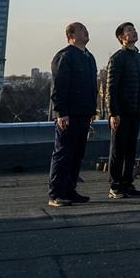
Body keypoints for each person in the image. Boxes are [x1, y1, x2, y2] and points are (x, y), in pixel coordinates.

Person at [48, 22, 97, 207]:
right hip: (68, 115)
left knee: (77, 154)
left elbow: (92, 87)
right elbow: (59, 87)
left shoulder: (89, 57)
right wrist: (61, 113)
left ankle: (70, 190)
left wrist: (92, 111)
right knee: (63, 154)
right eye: (81, 29)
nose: (86, 31)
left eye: (86, 28)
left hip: (84, 113)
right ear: (71, 36)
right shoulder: (65, 56)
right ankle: (56, 193)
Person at [105, 22, 140, 199]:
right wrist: (113, 113)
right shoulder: (117, 58)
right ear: (121, 38)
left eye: (134, 29)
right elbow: (111, 88)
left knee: (131, 150)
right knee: (118, 150)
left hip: (135, 111)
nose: (134, 32)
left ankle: (128, 184)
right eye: (129, 31)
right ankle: (115, 186)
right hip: (121, 112)